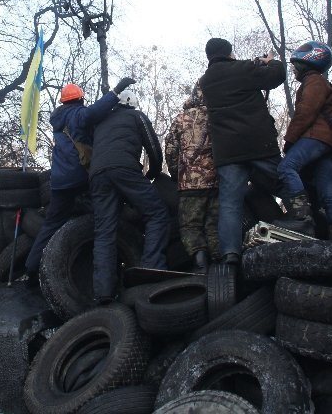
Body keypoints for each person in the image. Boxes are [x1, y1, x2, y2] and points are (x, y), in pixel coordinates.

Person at [23, 77, 136, 281]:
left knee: (51, 224)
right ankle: (106, 267)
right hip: (81, 177)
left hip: (59, 181)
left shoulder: (58, 121)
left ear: (63, 101)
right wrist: (116, 91)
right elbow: (94, 112)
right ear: (80, 99)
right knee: (105, 214)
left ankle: (31, 268)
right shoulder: (77, 114)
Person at [199, 37, 286, 265]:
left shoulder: (205, 81)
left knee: (230, 203)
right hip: (259, 145)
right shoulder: (243, 68)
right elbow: (276, 76)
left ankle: (230, 252)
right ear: (229, 53)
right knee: (285, 182)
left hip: (228, 152)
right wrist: (270, 62)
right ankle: (305, 223)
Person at [89, 88, 170, 303]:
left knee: (104, 231)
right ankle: (152, 268)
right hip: (124, 169)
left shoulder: (101, 123)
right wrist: (153, 173)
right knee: (157, 213)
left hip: (97, 175)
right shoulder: (136, 116)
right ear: (131, 104)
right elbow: (153, 149)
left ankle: (103, 292)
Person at [278, 41, 332, 240]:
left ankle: (302, 217)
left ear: (307, 61)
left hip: (316, 138)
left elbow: (305, 112)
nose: (293, 69)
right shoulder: (320, 81)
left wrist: (290, 140)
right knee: (327, 190)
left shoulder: (315, 81)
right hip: (329, 144)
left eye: (295, 65)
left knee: (286, 168)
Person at [164, 82, 220, 272]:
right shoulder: (217, 116)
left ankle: (201, 264)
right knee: (213, 225)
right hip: (216, 181)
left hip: (189, 184)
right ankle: (220, 266)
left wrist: (176, 174)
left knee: (190, 226)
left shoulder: (182, 118)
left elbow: (171, 149)